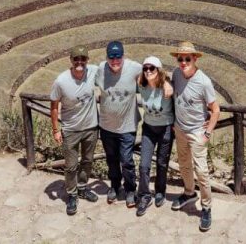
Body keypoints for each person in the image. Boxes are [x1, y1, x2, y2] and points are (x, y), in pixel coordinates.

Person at [170, 41, 220, 232]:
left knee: (202, 171)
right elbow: (173, 93)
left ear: (195, 58)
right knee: (184, 164)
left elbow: (215, 110)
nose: (183, 62)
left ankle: (206, 207)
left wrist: (207, 133)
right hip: (180, 130)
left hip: (197, 132)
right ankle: (189, 193)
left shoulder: (204, 81)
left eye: (187, 59)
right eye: (180, 59)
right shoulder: (176, 73)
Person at [49, 45, 100, 216]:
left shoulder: (93, 71)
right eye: (76, 59)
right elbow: (54, 106)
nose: (80, 62)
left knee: (87, 161)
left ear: (87, 60)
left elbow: (114, 68)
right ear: (70, 61)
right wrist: (56, 129)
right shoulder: (61, 81)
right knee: (71, 166)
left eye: (83, 59)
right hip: (70, 130)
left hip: (91, 128)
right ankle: (72, 195)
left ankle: (83, 188)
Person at [96, 40, 142, 207]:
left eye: (118, 57)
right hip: (106, 126)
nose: (115, 61)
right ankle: (114, 186)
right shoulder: (100, 69)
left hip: (127, 126)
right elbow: (83, 77)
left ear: (123, 56)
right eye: (111, 58)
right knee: (111, 159)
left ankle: (130, 189)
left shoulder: (134, 67)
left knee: (127, 160)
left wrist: (166, 85)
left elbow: (155, 74)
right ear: (107, 57)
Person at [135, 56, 174, 217]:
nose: (148, 71)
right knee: (144, 165)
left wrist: (165, 82)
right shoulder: (141, 85)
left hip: (165, 129)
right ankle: (144, 196)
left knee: (162, 163)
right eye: (145, 68)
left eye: (152, 68)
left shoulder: (168, 87)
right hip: (149, 129)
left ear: (159, 70)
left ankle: (160, 192)